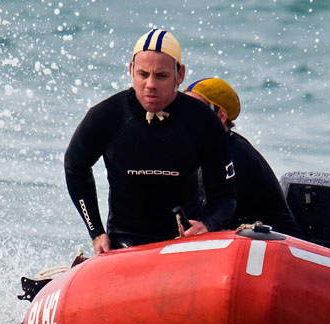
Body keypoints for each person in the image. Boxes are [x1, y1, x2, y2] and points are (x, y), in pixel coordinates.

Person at [65, 29, 236, 255]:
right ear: (131, 70)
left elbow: (225, 197)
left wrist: (208, 225)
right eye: (143, 74)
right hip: (125, 243)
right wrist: (96, 231)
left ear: (180, 75)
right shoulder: (107, 116)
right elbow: (75, 167)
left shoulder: (202, 121)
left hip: (185, 241)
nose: (150, 84)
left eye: (161, 76)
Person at [184, 77, 302, 236]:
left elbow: (212, 215)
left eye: (196, 109)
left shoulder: (236, 155)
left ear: (221, 116)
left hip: (279, 244)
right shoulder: (204, 149)